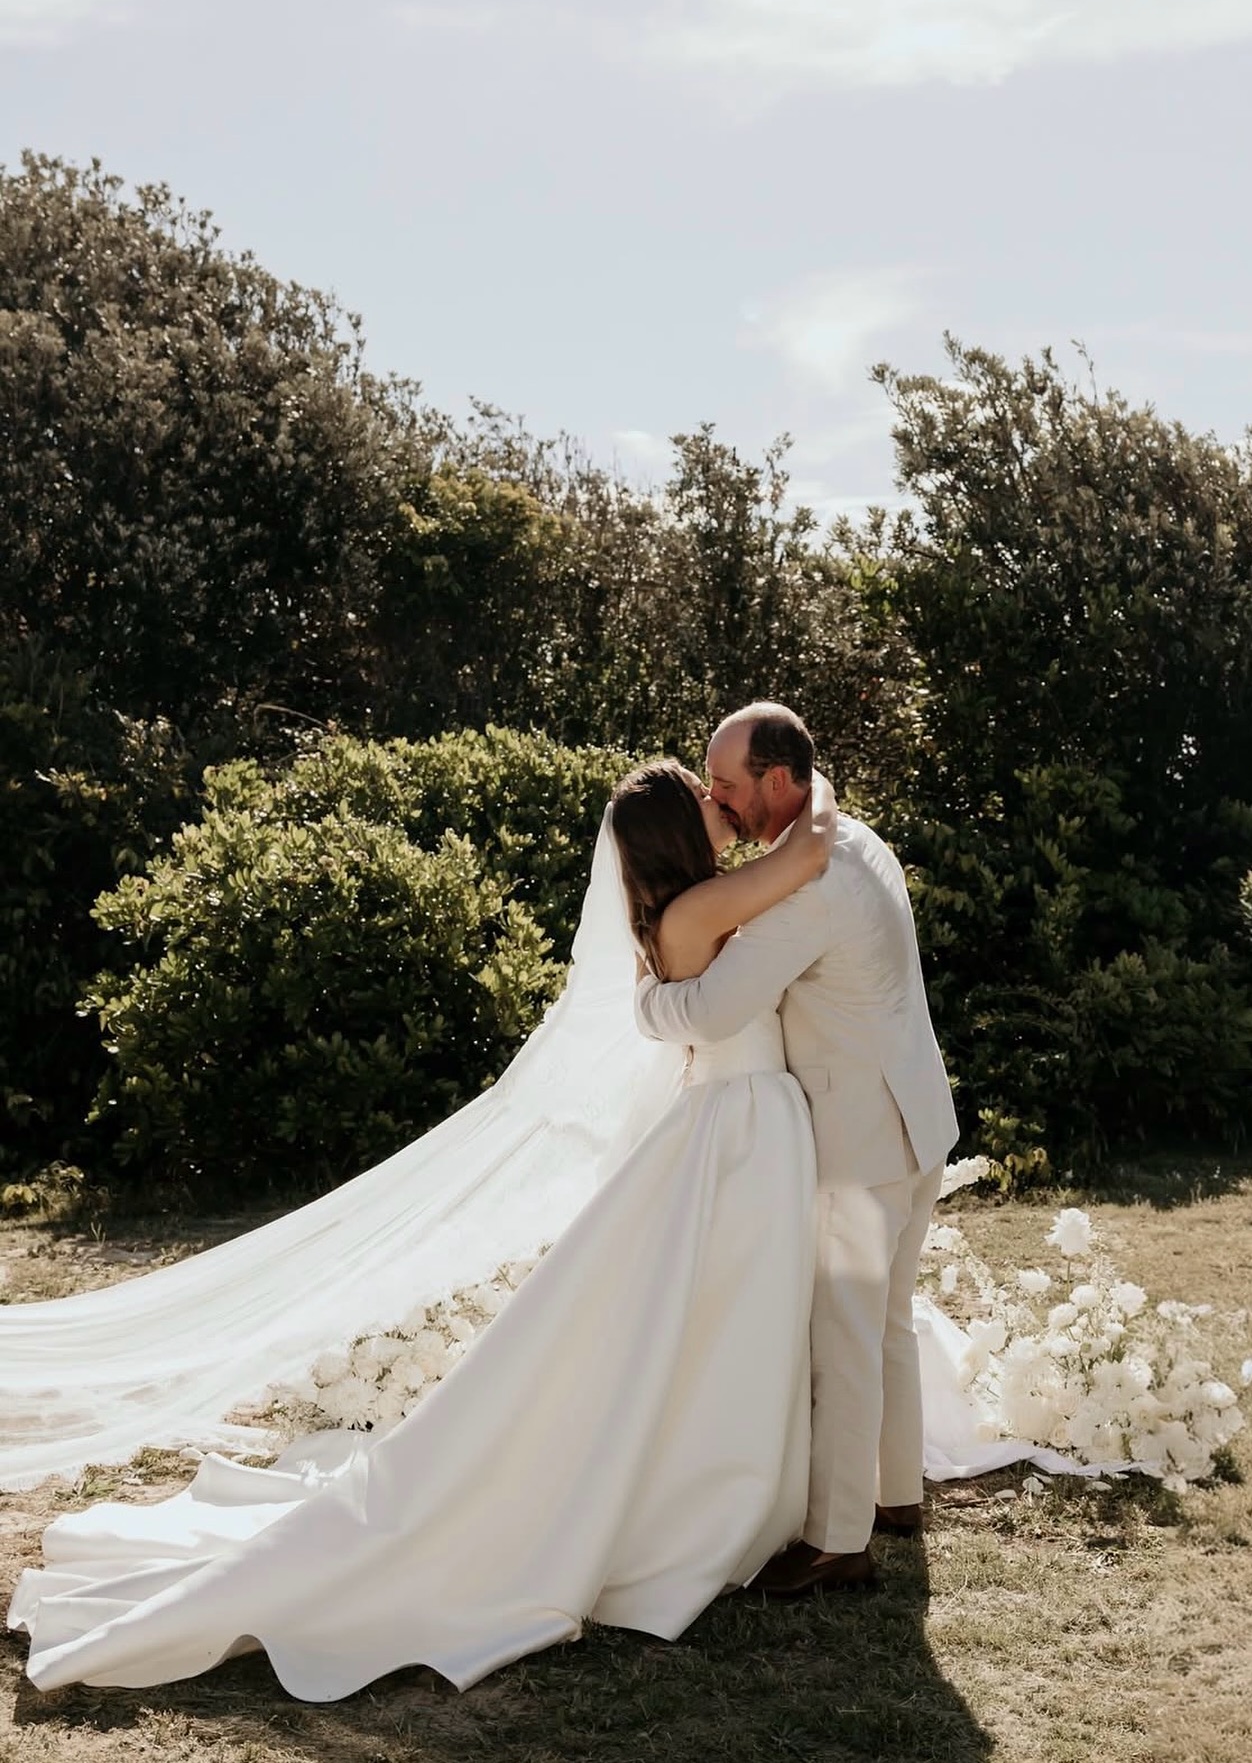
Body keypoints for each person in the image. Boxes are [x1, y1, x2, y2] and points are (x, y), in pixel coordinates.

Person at [9, 762, 838, 1699]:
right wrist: (808, 772)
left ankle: (722, 1488)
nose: (718, 799)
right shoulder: (701, 910)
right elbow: (812, 850)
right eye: (703, 793)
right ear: (674, 835)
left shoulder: (694, 905)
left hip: (744, 1130)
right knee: (699, 1323)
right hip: (733, 1132)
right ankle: (700, 1505)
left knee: (713, 1325)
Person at [634, 704, 958, 1598]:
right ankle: (895, 1494)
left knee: (846, 1337)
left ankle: (837, 1541)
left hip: (862, 1141)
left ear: (781, 780)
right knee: (887, 1321)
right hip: (917, 1119)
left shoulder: (804, 895)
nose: (720, 801)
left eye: (729, 784)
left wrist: (643, 1006)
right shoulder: (859, 840)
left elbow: (711, 1011)